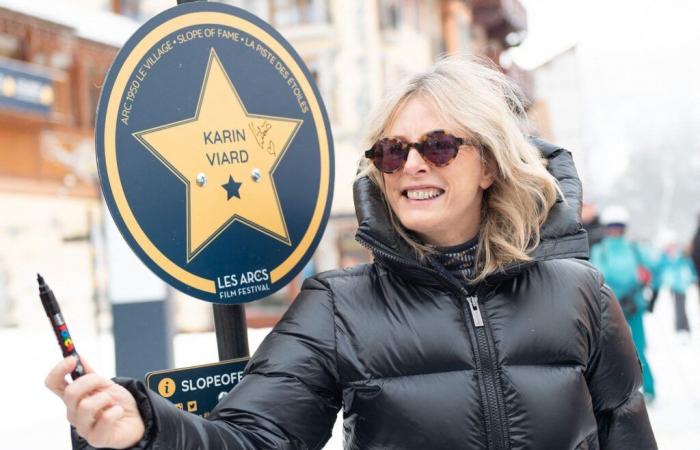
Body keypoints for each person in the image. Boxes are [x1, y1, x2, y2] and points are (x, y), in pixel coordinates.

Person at [46, 56, 656, 449]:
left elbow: (626, 434)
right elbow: (256, 439)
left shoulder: (581, 293)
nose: (412, 163)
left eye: (439, 146)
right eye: (391, 152)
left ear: (490, 165)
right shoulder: (339, 306)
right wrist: (146, 427)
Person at [590, 206, 655, 403]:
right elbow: (599, 273)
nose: (615, 231)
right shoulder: (600, 250)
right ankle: (618, 390)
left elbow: (649, 271)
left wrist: (643, 283)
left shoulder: (634, 249)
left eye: (619, 227)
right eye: (611, 227)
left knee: (639, 347)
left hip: (634, 305)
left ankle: (649, 389)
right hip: (611, 306)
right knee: (613, 348)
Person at [659, 241, 697, 335]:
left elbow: (689, 269)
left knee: (680, 307)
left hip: (680, 286)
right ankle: (681, 327)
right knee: (678, 306)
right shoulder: (669, 258)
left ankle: (683, 327)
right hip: (674, 286)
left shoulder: (681, 258)